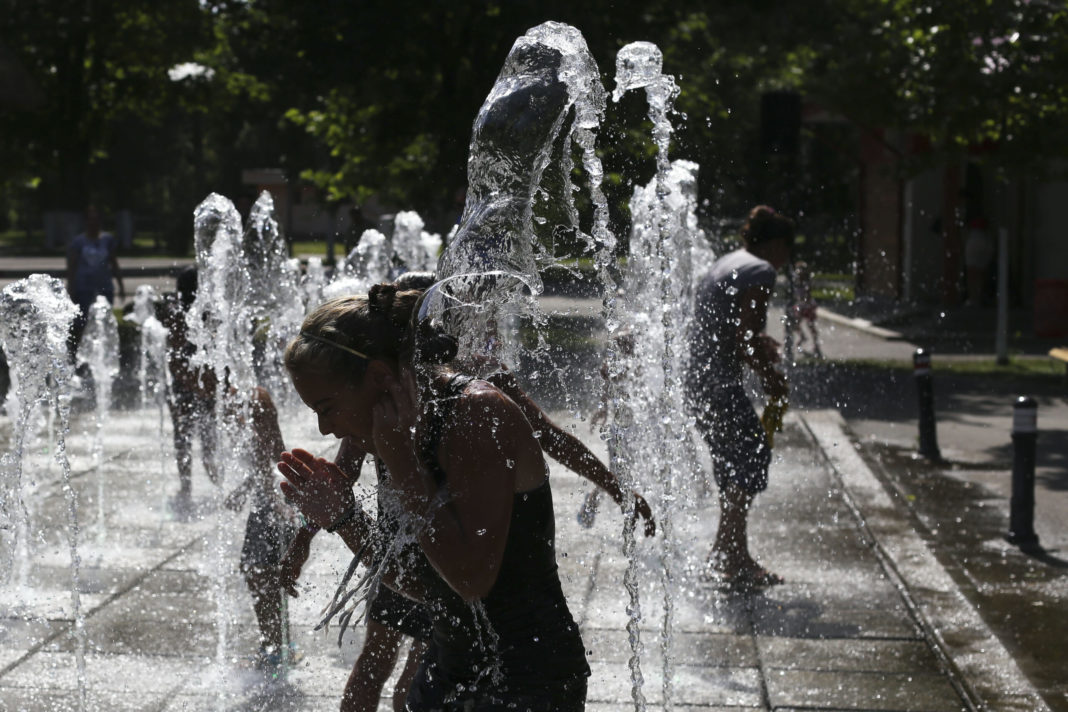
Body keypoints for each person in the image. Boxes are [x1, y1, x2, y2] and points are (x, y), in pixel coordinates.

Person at [278, 284, 590, 710]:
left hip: (525, 681)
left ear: (379, 377)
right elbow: (425, 586)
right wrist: (344, 517)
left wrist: (403, 461)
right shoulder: (394, 425)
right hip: (448, 671)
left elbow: (471, 580)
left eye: (327, 407)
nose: (324, 430)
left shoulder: (476, 414)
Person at [687, 204, 791, 590]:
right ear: (777, 243)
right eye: (788, 248)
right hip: (718, 384)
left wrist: (758, 345)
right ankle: (730, 557)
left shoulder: (728, 261)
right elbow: (743, 338)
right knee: (751, 457)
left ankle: (730, 553)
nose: (788, 258)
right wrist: (771, 378)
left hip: (697, 382)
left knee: (734, 464)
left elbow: (730, 327)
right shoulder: (762, 270)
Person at [224, 386, 305, 676]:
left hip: (267, 513)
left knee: (258, 576)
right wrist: (244, 491)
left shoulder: (251, 428)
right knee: (270, 580)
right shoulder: (263, 423)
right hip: (272, 509)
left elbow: (263, 469)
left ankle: (273, 649)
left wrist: (276, 507)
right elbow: (272, 463)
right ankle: (280, 646)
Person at [158, 267, 217, 516]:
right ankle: (192, 487)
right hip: (190, 385)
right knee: (194, 437)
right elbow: (175, 359)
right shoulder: (183, 314)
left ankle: (203, 486)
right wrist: (201, 386)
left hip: (193, 385)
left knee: (195, 439)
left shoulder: (197, 312)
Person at [67, 206, 125, 351]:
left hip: (104, 286)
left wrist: (121, 285)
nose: (93, 223)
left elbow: (114, 263)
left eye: (96, 220)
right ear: (86, 222)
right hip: (83, 287)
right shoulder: (78, 242)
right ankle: (80, 353)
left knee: (105, 321)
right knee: (81, 322)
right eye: (90, 220)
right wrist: (71, 287)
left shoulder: (107, 240)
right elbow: (72, 266)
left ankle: (104, 352)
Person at [790, 260, 823, 359]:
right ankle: (803, 337)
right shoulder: (796, 282)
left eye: (801, 270)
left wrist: (803, 299)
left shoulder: (806, 283)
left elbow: (807, 296)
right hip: (800, 306)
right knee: (795, 325)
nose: (799, 271)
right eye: (798, 269)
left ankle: (816, 346)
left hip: (807, 306)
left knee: (811, 326)